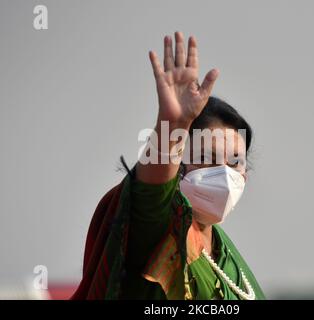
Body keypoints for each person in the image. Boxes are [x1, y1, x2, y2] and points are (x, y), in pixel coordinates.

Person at [72, 31, 265, 300]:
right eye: (206, 159)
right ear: (178, 163)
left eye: (235, 162)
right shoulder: (160, 229)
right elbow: (151, 196)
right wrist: (174, 124)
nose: (224, 173)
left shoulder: (226, 256)